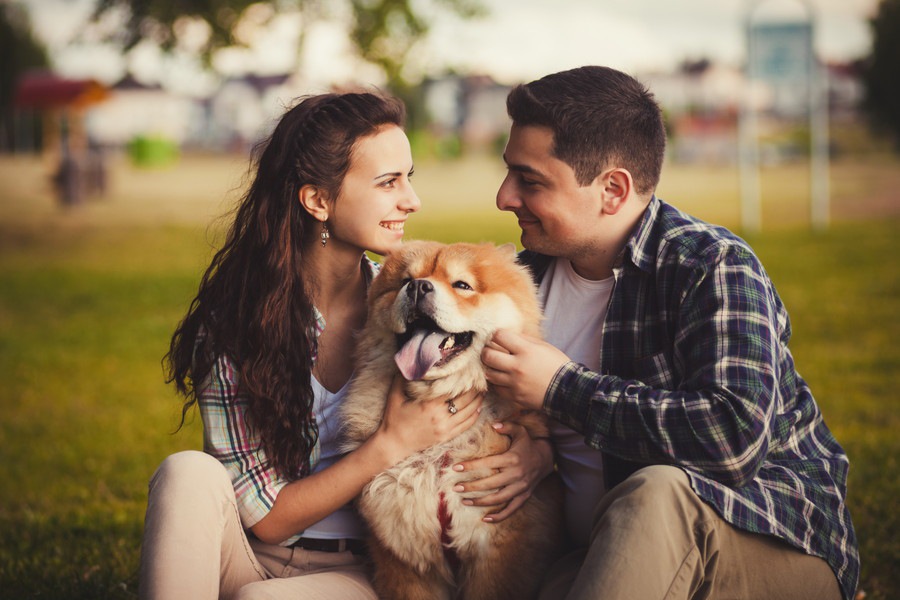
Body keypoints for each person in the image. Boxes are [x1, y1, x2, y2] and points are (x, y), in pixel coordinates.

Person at [480, 66, 859, 600]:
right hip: (596, 550)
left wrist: (562, 388)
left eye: (530, 180)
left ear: (613, 189)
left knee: (658, 493)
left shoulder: (711, 266)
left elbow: (731, 438)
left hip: (766, 543)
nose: (504, 197)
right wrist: (537, 451)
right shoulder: (523, 283)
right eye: (508, 173)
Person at [138, 91, 487, 600]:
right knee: (185, 471)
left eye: (409, 178)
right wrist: (389, 444)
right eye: (389, 182)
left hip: (358, 570)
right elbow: (267, 520)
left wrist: (536, 454)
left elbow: (500, 400)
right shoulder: (236, 322)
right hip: (244, 551)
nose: (411, 200)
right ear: (318, 200)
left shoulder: (420, 310)